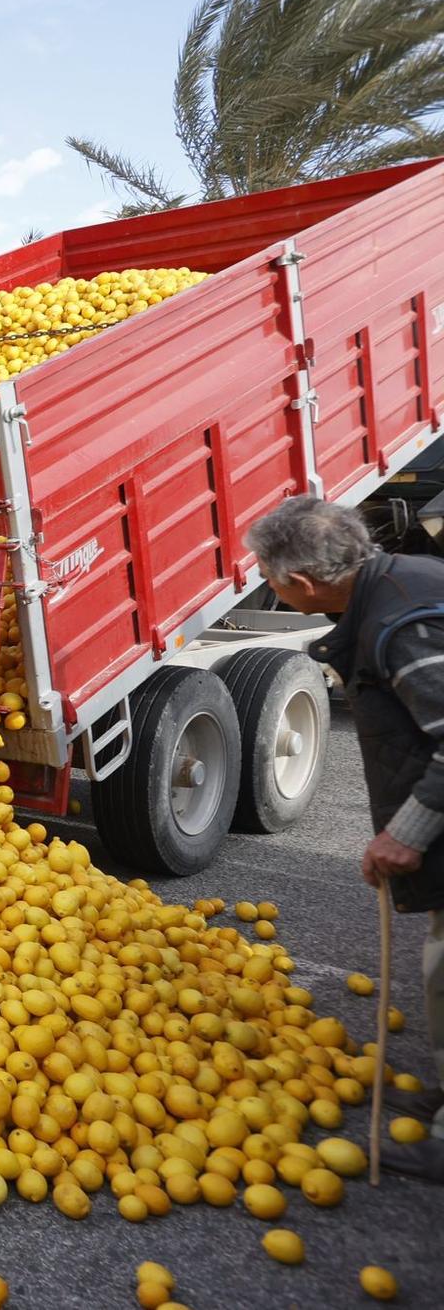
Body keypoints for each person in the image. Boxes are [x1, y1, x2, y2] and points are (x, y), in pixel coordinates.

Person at [248, 496, 444, 1180]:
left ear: (299, 584)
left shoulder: (400, 625)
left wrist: (406, 834)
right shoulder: (401, 582)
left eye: (265, 577)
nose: (265, 587)